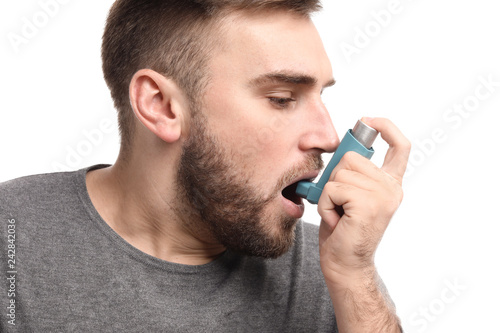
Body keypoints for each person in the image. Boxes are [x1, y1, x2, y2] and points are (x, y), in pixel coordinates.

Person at [1, 0, 410, 331]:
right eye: (283, 98)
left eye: (321, 96)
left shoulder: (330, 269)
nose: (327, 136)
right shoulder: (11, 234)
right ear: (161, 106)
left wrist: (353, 277)